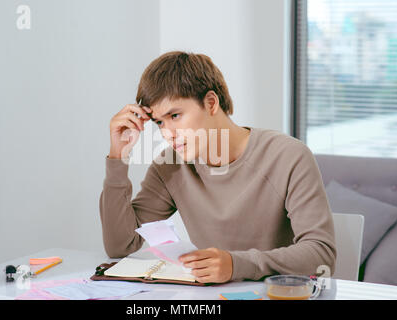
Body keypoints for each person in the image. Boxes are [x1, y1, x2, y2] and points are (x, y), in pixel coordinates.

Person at [100, 51, 336, 283]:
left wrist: (236, 265)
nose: (167, 133)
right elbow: (121, 245)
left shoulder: (288, 155)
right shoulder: (170, 164)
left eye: (175, 116)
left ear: (211, 103)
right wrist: (117, 157)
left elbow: (321, 254)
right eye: (159, 122)